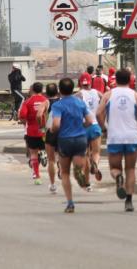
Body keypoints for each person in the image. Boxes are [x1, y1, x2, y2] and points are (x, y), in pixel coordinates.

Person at [98, 68, 137, 212]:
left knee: (115, 168)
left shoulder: (108, 95)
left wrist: (104, 128)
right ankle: (129, 201)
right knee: (131, 169)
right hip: (132, 136)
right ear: (130, 79)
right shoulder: (136, 96)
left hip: (115, 136)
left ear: (115, 80)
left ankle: (118, 177)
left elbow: (99, 113)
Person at [50, 77, 95, 213]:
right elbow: (89, 120)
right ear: (73, 88)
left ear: (60, 90)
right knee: (78, 166)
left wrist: (53, 130)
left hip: (65, 139)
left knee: (64, 172)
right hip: (80, 138)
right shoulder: (80, 103)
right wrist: (81, 126)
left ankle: (70, 203)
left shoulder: (57, 105)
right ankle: (79, 173)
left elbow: (56, 124)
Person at [19, 82, 48, 185]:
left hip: (31, 131)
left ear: (33, 90)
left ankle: (37, 176)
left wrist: (25, 121)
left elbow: (22, 115)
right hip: (44, 131)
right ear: (42, 89)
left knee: (33, 154)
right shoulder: (46, 101)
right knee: (45, 147)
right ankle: (44, 152)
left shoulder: (27, 102)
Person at [78, 73, 103, 188]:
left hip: (83, 126)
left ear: (80, 83)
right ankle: (96, 164)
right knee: (96, 152)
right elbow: (105, 101)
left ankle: (86, 180)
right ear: (90, 82)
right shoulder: (97, 93)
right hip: (95, 125)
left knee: (85, 154)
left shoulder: (78, 94)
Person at [43, 83, 61, 194]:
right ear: (57, 91)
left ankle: (53, 184)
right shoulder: (61, 101)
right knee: (60, 155)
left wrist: (42, 125)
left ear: (47, 93)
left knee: (50, 160)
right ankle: (60, 167)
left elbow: (39, 114)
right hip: (61, 129)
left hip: (50, 130)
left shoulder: (46, 102)